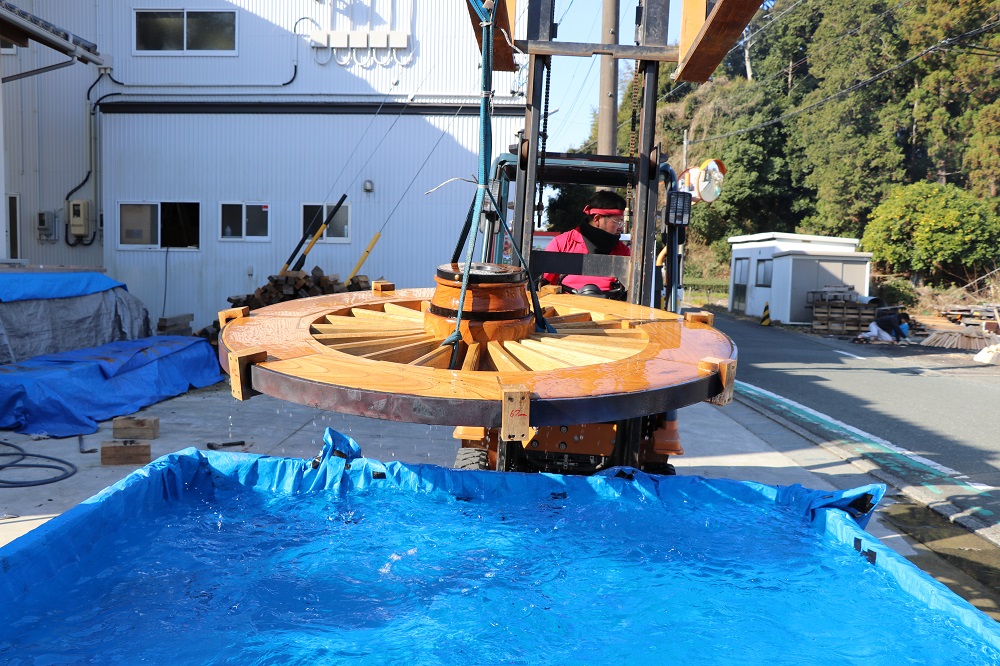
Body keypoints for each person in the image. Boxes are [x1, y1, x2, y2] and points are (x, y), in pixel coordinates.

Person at [541, 191, 629, 297]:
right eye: (618, 221)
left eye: (622, 222)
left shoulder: (623, 251)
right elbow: (542, 287)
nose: (621, 227)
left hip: (609, 311)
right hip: (564, 311)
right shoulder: (562, 244)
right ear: (597, 219)